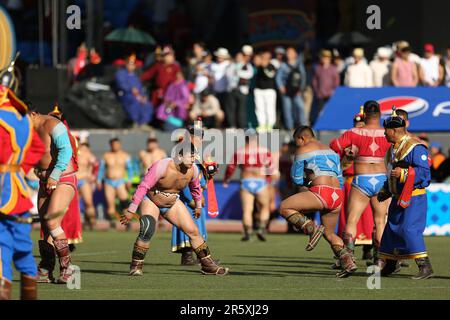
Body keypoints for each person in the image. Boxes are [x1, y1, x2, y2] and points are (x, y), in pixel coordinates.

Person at [121, 143, 229, 276]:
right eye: (190, 156)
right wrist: (131, 209)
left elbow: (195, 189)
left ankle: (208, 265)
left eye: (194, 156)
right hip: (151, 201)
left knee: (193, 231)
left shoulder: (193, 170)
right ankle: (136, 266)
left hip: (172, 202)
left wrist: (198, 206)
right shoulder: (162, 165)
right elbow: (143, 186)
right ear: (179, 156)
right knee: (147, 230)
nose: (193, 159)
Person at [330, 100, 391, 277]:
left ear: (364, 116)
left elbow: (335, 146)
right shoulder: (387, 132)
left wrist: (350, 151)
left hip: (361, 179)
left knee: (352, 220)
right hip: (381, 179)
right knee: (380, 221)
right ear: (380, 115)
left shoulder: (354, 132)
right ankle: (380, 261)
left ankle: (348, 259)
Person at [279, 126, 348, 275]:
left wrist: (309, 183)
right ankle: (347, 260)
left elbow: (296, 179)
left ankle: (311, 228)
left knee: (284, 207)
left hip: (321, 192)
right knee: (330, 233)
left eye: (296, 142)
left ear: (301, 138)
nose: (296, 145)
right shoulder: (332, 152)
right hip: (337, 195)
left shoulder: (302, 150)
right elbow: (341, 180)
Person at [378, 108, 434, 280]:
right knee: (392, 231)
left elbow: (424, 173)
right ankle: (392, 264)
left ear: (394, 130)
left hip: (414, 197)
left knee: (409, 230)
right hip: (398, 197)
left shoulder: (415, 147)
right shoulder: (392, 150)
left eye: (386, 130)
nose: (384, 133)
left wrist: (403, 174)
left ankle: (425, 266)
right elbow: (391, 174)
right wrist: (386, 190)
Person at [0, 86, 45, 300]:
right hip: (18, 189)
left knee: (2, 249)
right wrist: (19, 168)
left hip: (2, 191)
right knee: (23, 249)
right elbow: (37, 149)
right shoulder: (24, 119)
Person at [30, 105, 79, 284]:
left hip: (63, 178)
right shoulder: (26, 128)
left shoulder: (53, 124)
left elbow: (66, 151)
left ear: (34, 113)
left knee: (51, 221)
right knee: (46, 226)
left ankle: (69, 270)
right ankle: (46, 269)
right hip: (45, 181)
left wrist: (54, 175)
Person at [171, 121, 220, 265]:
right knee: (190, 226)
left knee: (198, 227)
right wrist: (191, 199)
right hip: (188, 198)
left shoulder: (196, 153)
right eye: (196, 136)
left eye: (200, 136)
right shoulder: (184, 151)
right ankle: (190, 257)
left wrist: (209, 174)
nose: (199, 139)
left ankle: (198, 257)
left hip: (196, 195)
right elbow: (183, 178)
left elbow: (197, 177)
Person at [335, 110, 374, 267]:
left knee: (369, 217)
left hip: (368, 180)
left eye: (362, 122)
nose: (360, 125)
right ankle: (347, 253)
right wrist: (348, 157)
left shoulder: (373, 138)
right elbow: (340, 162)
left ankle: (371, 248)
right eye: (357, 123)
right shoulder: (348, 140)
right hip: (350, 182)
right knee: (349, 217)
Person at [223, 129, 273, 241]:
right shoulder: (264, 151)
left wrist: (226, 180)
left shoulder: (240, 152)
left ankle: (248, 233)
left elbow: (231, 168)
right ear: (256, 138)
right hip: (260, 181)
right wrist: (268, 181)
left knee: (247, 210)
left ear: (246, 138)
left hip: (246, 181)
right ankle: (261, 228)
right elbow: (270, 168)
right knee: (265, 207)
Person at [97, 138, 134, 228]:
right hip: (108, 182)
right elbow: (101, 169)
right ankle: (112, 225)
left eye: (117, 144)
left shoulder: (125, 156)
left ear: (120, 144)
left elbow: (130, 169)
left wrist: (129, 180)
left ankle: (127, 224)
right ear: (110, 145)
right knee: (110, 206)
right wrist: (98, 180)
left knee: (125, 202)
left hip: (120, 181)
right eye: (113, 144)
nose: (115, 146)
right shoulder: (106, 155)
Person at [115, 54, 153, 129]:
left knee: (146, 103)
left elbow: (140, 88)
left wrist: (143, 96)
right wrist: (131, 89)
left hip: (137, 95)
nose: (131, 66)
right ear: (126, 64)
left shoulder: (135, 76)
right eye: (129, 64)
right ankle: (134, 122)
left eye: (133, 65)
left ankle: (143, 123)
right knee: (134, 102)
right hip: (126, 95)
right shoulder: (120, 73)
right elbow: (121, 85)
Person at [276, 47, 307, 129]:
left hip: (297, 91)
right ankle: (290, 127)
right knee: (287, 109)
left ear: (295, 54)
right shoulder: (283, 65)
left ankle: (303, 126)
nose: (289, 55)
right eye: (288, 53)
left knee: (300, 107)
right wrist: (281, 87)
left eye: (291, 53)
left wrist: (301, 89)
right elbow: (278, 78)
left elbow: (303, 77)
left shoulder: (299, 64)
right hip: (286, 91)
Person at [311, 49, 340, 126]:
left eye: (327, 58)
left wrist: (334, 91)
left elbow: (336, 81)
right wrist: (317, 91)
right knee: (320, 111)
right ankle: (322, 125)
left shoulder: (333, 68)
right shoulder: (318, 68)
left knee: (330, 110)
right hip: (320, 94)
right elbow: (314, 81)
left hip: (330, 94)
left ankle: (331, 124)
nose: (325, 59)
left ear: (330, 59)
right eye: (324, 57)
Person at [228, 47, 254, 128]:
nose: (239, 58)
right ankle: (232, 125)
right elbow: (228, 75)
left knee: (241, 110)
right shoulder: (232, 65)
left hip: (242, 90)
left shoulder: (247, 65)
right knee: (231, 109)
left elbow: (249, 75)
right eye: (238, 56)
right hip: (232, 89)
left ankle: (242, 126)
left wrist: (238, 73)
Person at [76, 140, 98, 230]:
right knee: (73, 205)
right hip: (72, 181)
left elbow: (96, 164)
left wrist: (93, 176)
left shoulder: (86, 154)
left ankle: (93, 223)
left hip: (84, 180)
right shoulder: (68, 152)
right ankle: (76, 225)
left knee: (88, 203)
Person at [254, 51, 278, 131]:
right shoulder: (258, 66)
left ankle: (270, 125)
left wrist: (264, 66)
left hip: (269, 90)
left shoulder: (272, 66)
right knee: (259, 108)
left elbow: (270, 75)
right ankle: (262, 124)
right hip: (258, 90)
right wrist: (259, 64)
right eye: (263, 56)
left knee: (270, 108)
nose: (264, 57)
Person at [210, 47, 232, 126]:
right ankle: (217, 125)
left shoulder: (228, 64)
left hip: (226, 91)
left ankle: (227, 125)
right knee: (216, 109)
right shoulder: (213, 65)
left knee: (227, 109)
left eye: (221, 56)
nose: (219, 58)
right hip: (215, 91)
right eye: (218, 56)